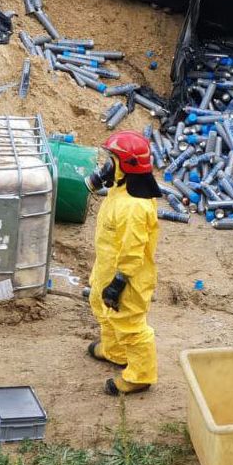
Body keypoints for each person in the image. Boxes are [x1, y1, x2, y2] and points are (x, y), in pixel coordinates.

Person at [84, 131, 161, 395]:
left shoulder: (134, 207)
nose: (106, 165)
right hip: (107, 266)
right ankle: (114, 351)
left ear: (126, 166)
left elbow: (132, 250)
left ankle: (140, 375)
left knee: (129, 323)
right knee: (100, 305)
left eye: (112, 160)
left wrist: (118, 283)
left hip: (127, 277)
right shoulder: (121, 189)